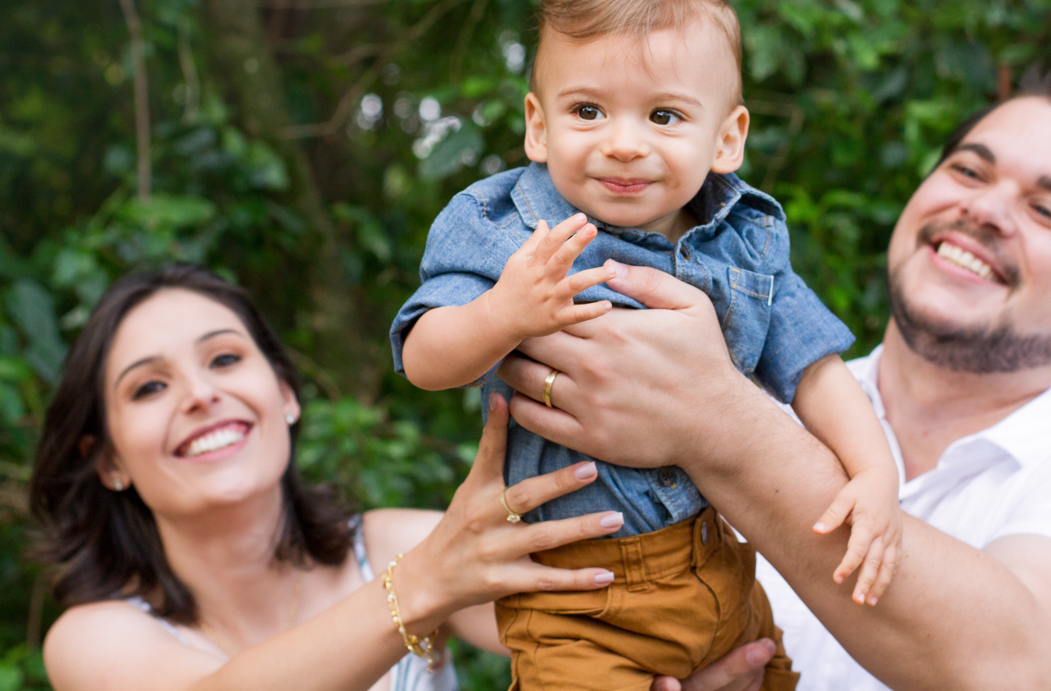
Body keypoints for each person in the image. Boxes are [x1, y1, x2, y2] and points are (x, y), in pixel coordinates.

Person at [497, 60, 1051, 690]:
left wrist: (717, 423)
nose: (983, 209)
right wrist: (444, 569)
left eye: (1047, 211)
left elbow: (1030, 669)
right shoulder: (752, 387)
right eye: (969, 171)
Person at [391, 0, 901, 689]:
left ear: (726, 139)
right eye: (588, 111)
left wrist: (874, 469)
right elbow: (423, 356)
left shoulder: (746, 239)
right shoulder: (503, 228)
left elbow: (812, 365)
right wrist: (500, 313)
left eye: (663, 116)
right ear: (538, 126)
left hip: (717, 567)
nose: (623, 142)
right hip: (576, 599)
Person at [29, 265, 626, 691]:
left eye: (225, 359)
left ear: (285, 395)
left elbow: (612, 627)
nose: (201, 394)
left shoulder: (395, 546)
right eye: (150, 387)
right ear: (107, 459)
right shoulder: (95, 638)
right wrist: (426, 583)